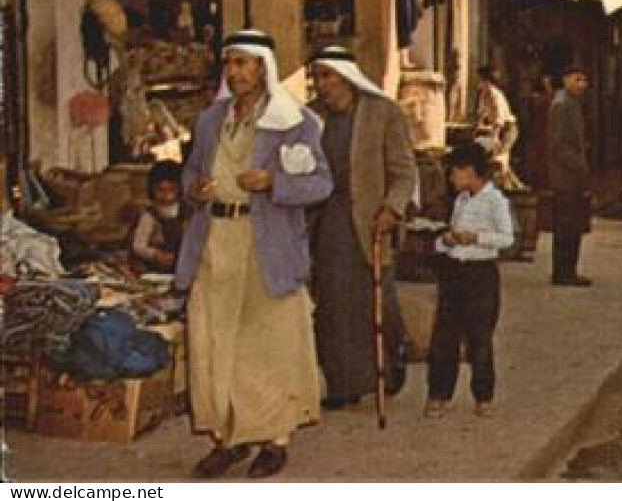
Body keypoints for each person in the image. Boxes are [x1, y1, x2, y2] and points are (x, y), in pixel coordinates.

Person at [177, 29, 331, 480]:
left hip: (267, 245)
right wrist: (195, 190)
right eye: (230, 63)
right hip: (215, 242)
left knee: (269, 344)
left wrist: (274, 184)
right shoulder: (209, 121)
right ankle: (228, 438)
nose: (236, 72)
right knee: (214, 339)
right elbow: (190, 173)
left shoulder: (294, 120)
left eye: (244, 63)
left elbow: (321, 183)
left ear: (264, 67)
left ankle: (275, 439)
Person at [305, 44, 419, 410]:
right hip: (326, 222)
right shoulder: (311, 117)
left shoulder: (382, 113)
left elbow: (404, 172)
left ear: (346, 77)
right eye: (316, 77)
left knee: (375, 301)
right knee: (333, 304)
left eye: (327, 76)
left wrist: (392, 208)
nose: (321, 85)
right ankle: (342, 382)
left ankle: (391, 363)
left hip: (371, 220)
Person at [424, 142, 515, 419]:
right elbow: (449, 236)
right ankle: (439, 393)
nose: (451, 179)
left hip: (481, 273)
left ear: (469, 171)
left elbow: (507, 238)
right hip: (455, 271)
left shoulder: (495, 201)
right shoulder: (460, 201)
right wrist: (445, 241)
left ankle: (483, 395)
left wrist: (476, 238)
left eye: (454, 172)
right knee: (444, 336)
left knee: (480, 338)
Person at [548, 62, 594, 287]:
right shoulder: (562, 105)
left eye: (584, 80)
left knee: (572, 225)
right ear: (566, 79)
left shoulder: (572, 103)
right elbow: (557, 144)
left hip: (572, 175)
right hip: (565, 176)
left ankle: (567, 270)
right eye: (577, 79)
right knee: (566, 226)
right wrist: (578, 164)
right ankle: (563, 272)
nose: (582, 84)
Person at [130, 160, 186, 273]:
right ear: (152, 189)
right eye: (160, 190)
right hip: (155, 268)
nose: (165, 196)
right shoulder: (149, 216)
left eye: (171, 190)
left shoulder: (185, 213)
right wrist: (155, 255)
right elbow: (138, 246)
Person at [472, 65, 522, 189]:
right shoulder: (483, 95)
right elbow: (481, 114)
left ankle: (509, 187)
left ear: (487, 82)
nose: (478, 84)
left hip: (509, 129)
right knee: (501, 158)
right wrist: (478, 128)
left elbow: (499, 118)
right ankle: (516, 187)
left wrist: (495, 136)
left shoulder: (496, 95)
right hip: (496, 129)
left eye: (480, 81)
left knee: (500, 157)